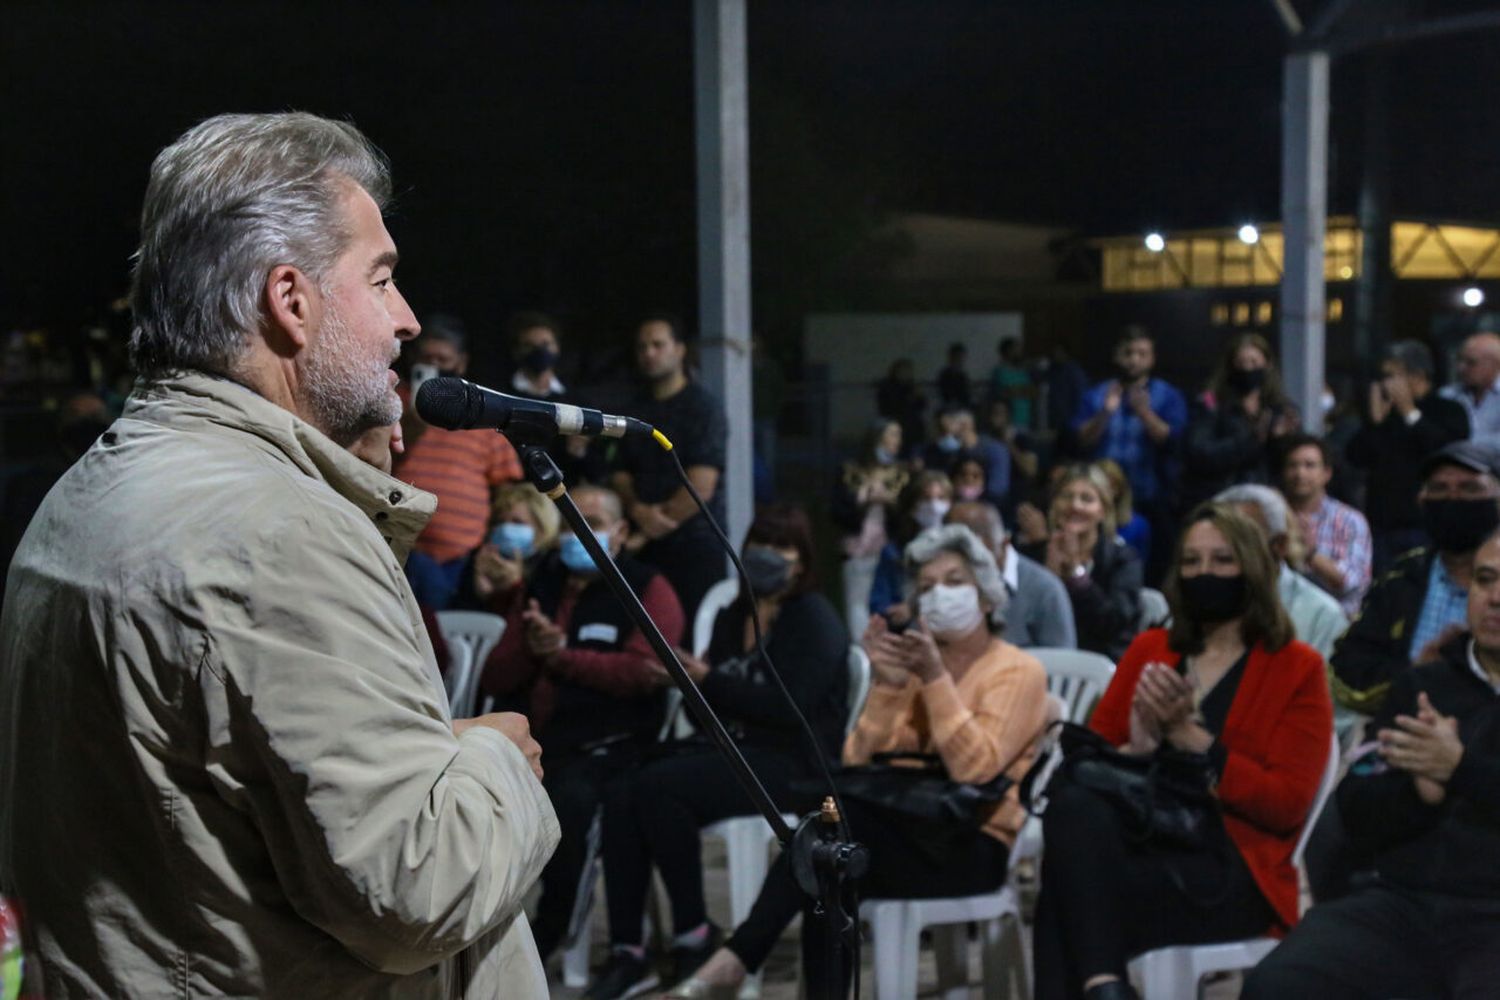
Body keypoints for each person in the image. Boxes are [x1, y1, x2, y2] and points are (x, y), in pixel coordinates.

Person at [0, 112, 558, 998]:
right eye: (381, 281)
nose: (406, 320)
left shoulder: (87, 492)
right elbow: (417, 892)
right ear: (290, 303)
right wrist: (493, 759)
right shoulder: (278, 533)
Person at [665, 524, 1049, 999]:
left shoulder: (1016, 670)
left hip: (971, 843)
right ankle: (751, 966)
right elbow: (856, 760)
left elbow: (976, 771)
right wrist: (888, 685)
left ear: (987, 597)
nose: (939, 596)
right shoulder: (913, 666)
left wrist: (934, 679)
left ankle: (736, 959)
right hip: (901, 829)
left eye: (954, 582)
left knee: (826, 844)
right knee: (825, 861)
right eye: (927, 588)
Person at [1033, 503, 1333, 1000]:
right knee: (1075, 814)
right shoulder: (1151, 649)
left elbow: (1285, 805)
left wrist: (1194, 740)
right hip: (1144, 837)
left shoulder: (1296, 667)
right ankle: (1107, 984)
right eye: (1191, 562)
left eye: (1221, 561)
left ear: (1252, 569)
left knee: (1066, 892)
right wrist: (1140, 745)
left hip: (1234, 866)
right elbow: (1090, 769)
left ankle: (1103, 984)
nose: (1203, 573)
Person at [584, 507, 848, 1000]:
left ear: (802, 561)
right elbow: (714, 703)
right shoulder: (735, 613)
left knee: (661, 790)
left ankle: (694, 935)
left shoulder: (813, 619)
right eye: (759, 544)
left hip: (793, 764)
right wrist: (688, 682)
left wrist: (708, 680)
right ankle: (628, 949)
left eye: (781, 548)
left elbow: (788, 707)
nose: (766, 557)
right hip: (732, 748)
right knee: (623, 789)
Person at [1243, 527, 1500, 999]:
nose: (1495, 597)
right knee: (1278, 983)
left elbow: (1460, 769)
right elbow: (1357, 804)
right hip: (1406, 901)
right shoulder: (1424, 686)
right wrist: (1417, 794)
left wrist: (1461, 769)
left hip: (1490, 918)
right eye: (1485, 580)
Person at [477, 484, 683, 965]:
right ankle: (472, 933)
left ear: (622, 532)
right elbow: (495, 674)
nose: (579, 533)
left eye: (593, 522)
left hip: (612, 744)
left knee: (570, 804)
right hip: (540, 742)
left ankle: (545, 944)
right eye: (570, 523)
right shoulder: (543, 583)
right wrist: (530, 640)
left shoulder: (648, 587)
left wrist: (564, 656)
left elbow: (643, 673)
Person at [1330, 440, 1500, 716]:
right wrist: (1417, 673)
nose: (1453, 499)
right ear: (1422, 501)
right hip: (1407, 734)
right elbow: (1347, 671)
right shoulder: (1401, 576)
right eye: (1439, 489)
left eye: (1470, 489)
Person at [396, 315, 525, 609]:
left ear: (462, 363)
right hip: (400, 552)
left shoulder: (479, 410)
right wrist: (413, 426)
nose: (435, 365)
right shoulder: (391, 400)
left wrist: (498, 544)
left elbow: (508, 488)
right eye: (427, 358)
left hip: (465, 560)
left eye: (444, 358)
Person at [611, 314, 729, 622]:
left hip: (693, 546)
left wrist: (649, 528)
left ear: (679, 350)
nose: (649, 353)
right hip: (643, 549)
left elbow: (701, 485)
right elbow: (619, 470)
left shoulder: (704, 408)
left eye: (658, 345)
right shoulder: (632, 409)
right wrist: (636, 509)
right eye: (642, 347)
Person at [1071, 326, 1187, 580]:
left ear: (1152, 358)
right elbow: (1080, 441)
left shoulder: (1167, 395)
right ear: (1117, 356)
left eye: (1142, 353)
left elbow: (1173, 441)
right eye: (1128, 353)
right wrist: (1105, 413)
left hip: (1152, 496)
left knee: (1153, 568)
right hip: (1102, 498)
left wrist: (1145, 413)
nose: (1134, 359)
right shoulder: (1097, 394)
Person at [1347, 340, 1470, 573]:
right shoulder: (1385, 417)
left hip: (1426, 524)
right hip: (1382, 524)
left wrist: (1409, 412)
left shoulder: (1448, 410)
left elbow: (1445, 451)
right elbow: (1356, 456)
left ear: (1417, 376)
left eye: (1392, 375)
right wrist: (1375, 423)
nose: (1385, 383)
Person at [1018, 464, 1142, 661]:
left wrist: (1076, 575)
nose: (1075, 506)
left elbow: (1113, 624)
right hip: (1036, 663)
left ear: (1103, 510)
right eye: (1066, 497)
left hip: (1099, 667)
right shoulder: (1031, 556)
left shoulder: (1124, 560)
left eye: (1087, 499)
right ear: (1054, 504)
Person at [1216, 483, 1349, 661]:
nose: (1227, 551)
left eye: (1243, 541)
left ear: (1279, 545)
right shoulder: (1196, 599)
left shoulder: (1322, 616)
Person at [1179, 332, 1300, 513]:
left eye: (1254, 362)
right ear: (1231, 365)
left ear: (1267, 364)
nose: (1248, 369)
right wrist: (1252, 441)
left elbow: (1287, 462)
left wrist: (1280, 440)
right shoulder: (1211, 404)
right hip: (1221, 499)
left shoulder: (1279, 407)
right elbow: (1200, 452)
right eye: (1242, 362)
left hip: (1267, 501)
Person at [946, 499, 1079, 648]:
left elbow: (1064, 665)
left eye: (980, 559)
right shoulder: (936, 584)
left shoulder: (1046, 589)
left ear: (1004, 544)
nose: (971, 568)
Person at [504, 310, 605, 486]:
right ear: (517, 351)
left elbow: (598, 470)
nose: (539, 351)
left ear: (557, 347)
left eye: (546, 344)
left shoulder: (577, 402)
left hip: (566, 492)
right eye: (530, 345)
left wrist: (580, 451)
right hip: (516, 491)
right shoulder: (502, 397)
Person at [832, 418, 912, 638]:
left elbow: (908, 513)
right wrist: (863, 500)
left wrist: (891, 502)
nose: (896, 441)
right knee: (857, 603)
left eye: (898, 436)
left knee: (892, 602)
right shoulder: (850, 471)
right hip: (858, 547)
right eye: (892, 435)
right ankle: (862, 656)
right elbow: (837, 510)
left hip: (890, 548)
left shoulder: (902, 474)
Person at [1281, 433, 1373, 617]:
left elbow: (1351, 584)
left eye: (1309, 465)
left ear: (1326, 473)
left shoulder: (1350, 520)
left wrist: (1311, 554)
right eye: (1293, 465)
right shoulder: (1272, 515)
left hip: (1335, 623)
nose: (1300, 473)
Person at [456, 481, 562, 613]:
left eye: (517, 522)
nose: (506, 529)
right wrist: (481, 592)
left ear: (542, 527)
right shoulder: (479, 559)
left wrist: (516, 587)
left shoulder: (554, 565)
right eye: (500, 522)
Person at [867, 470, 953, 628]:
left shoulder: (958, 548)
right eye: (926, 499)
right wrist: (894, 613)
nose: (934, 506)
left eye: (941, 498)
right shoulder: (893, 552)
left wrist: (914, 608)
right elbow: (878, 604)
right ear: (913, 506)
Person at [920, 406, 1011, 507]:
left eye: (946, 430)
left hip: (984, 511)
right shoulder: (943, 452)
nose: (943, 436)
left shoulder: (994, 450)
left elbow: (997, 490)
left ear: (964, 426)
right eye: (941, 430)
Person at [1439, 330, 1500, 443]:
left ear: (1495, 364)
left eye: (1471, 362)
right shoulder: (1447, 395)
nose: (1461, 368)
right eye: (1460, 360)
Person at [1098, 458, 1150, 565]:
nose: (1105, 493)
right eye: (1100, 486)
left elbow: (1139, 564)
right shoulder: (1083, 520)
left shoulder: (1138, 525)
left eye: (1111, 486)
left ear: (1120, 490)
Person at [876, 357, 928, 458]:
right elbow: (887, 407)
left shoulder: (913, 386)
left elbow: (922, 405)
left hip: (914, 429)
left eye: (908, 371)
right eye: (902, 371)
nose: (905, 374)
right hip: (896, 424)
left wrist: (918, 395)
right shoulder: (887, 387)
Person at [989, 337, 1034, 429]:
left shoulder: (1023, 372)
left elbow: (1032, 392)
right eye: (1016, 349)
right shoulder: (1000, 372)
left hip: (1025, 420)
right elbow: (1006, 392)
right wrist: (1020, 391)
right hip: (1009, 421)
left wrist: (1018, 390)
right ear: (1008, 351)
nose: (1019, 352)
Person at [937, 341, 972, 409]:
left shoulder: (963, 376)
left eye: (962, 357)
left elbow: (967, 395)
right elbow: (945, 395)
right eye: (958, 357)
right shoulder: (944, 375)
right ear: (951, 357)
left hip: (962, 408)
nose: (961, 360)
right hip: (949, 408)